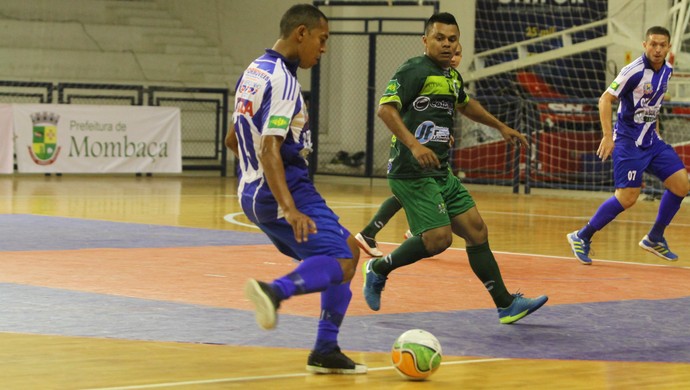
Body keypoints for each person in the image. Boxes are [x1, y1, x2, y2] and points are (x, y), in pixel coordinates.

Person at [361, 12, 548, 324]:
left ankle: (506, 305)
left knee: (476, 231)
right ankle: (378, 269)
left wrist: (502, 127)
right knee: (439, 239)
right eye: (439, 38)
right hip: (411, 171)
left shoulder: (451, 76)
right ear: (425, 40)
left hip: (439, 172)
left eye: (452, 40)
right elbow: (385, 109)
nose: (446, 45)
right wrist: (415, 145)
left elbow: (466, 104)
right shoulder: (414, 70)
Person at [226, 4, 366, 374]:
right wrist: (288, 206)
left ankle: (325, 349)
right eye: (322, 40)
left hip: (255, 188)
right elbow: (271, 147)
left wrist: (256, 173)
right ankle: (274, 292)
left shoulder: (254, 70)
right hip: (283, 189)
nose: (323, 49)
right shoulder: (284, 82)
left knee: (349, 250)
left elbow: (232, 139)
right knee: (341, 260)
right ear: (301, 33)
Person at [567, 26, 689, 265]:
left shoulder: (668, 70)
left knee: (681, 184)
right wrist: (607, 136)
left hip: (651, 141)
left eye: (662, 45)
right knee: (628, 197)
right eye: (653, 44)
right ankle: (582, 236)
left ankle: (654, 238)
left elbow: (653, 105)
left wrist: (655, 129)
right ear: (645, 45)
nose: (657, 49)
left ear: (668, 47)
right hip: (627, 142)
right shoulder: (632, 71)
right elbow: (605, 99)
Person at [355, 46, 463, 257]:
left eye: (458, 54)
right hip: (411, 150)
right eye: (450, 51)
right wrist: (414, 142)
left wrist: (444, 134)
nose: (453, 57)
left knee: (425, 191)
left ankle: (382, 232)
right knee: (413, 192)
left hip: (432, 152)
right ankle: (374, 234)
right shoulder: (419, 73)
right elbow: (399, 111)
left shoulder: (453, 80)